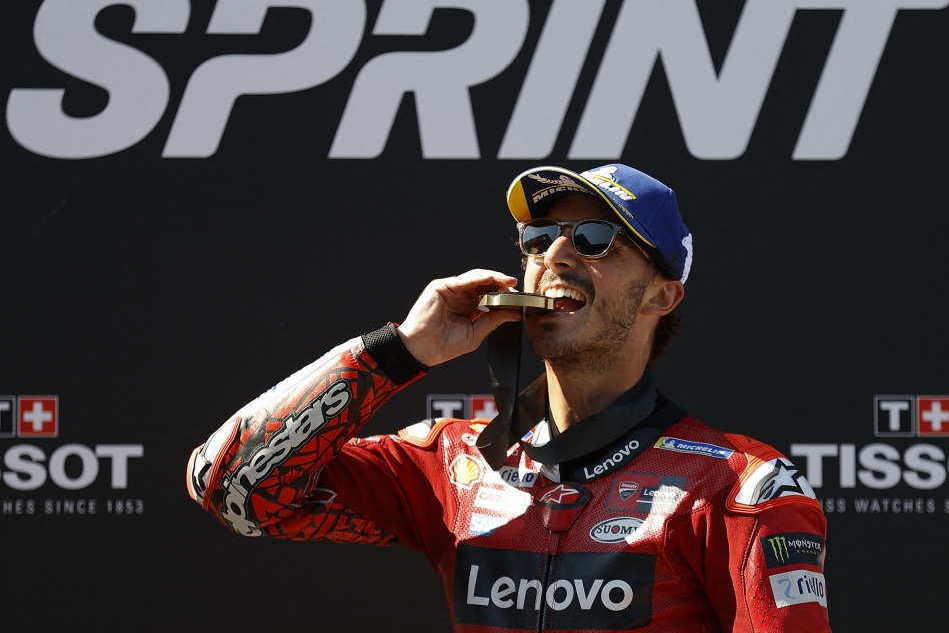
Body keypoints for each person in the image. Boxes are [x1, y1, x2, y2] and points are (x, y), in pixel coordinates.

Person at [187, 164, 831, 632]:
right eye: (537, 240)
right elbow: (231, 487)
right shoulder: (450, 463)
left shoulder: (739, 488)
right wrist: (400, 350)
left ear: (662, 294)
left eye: (594, 239)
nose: (555, 254)